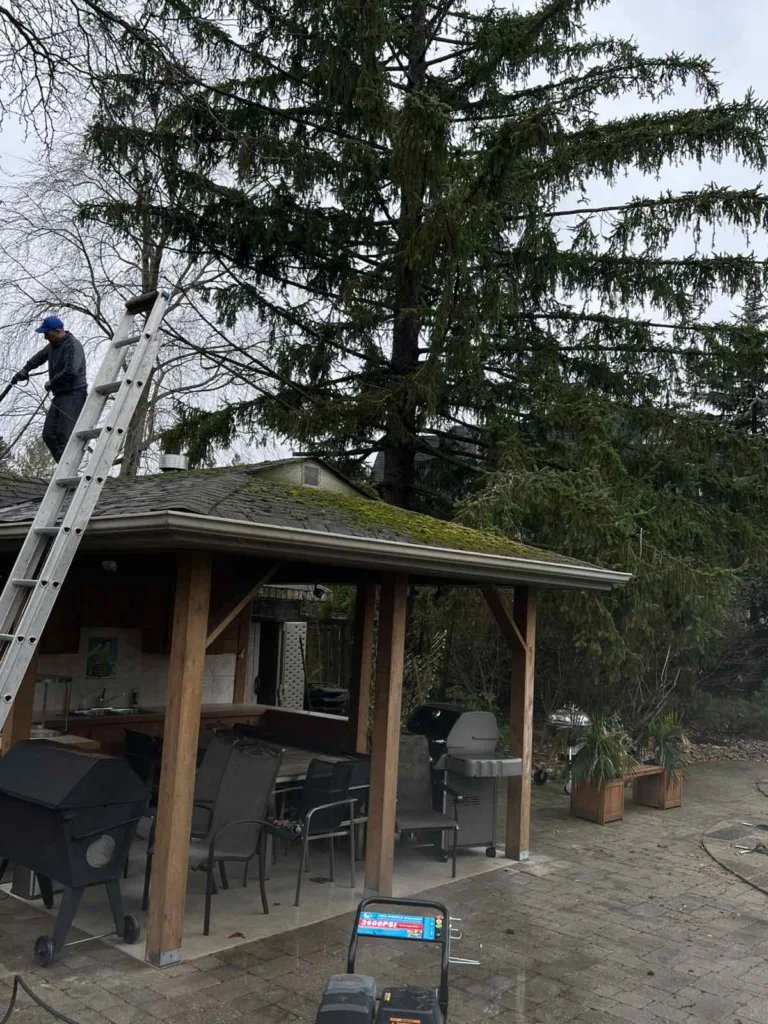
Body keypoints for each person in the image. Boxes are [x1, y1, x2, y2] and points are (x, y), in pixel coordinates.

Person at [12, 316, 87, 462]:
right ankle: (64, 468)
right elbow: (39, 357)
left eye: (47, 334)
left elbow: (71, 371)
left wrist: (52, 382)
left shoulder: (72, 345)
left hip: (74, 394)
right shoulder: (53, 345)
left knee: (64, 435)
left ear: (58, 331)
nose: (45, 337)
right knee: (49, 435)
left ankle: (70, 471)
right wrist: (25, 369)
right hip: (59, 396)